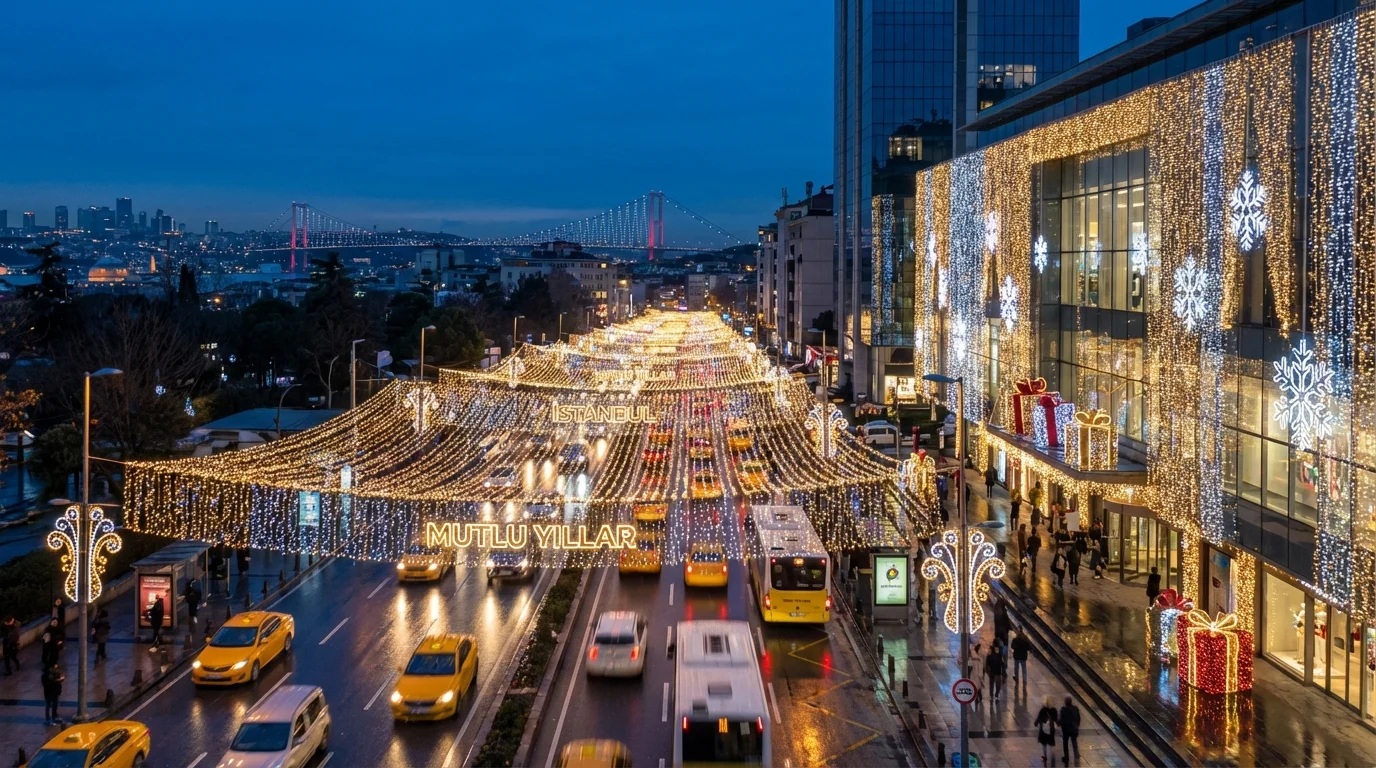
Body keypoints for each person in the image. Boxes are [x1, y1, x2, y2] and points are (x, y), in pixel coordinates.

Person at [1035, 695, 1059, 764]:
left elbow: (1039, 718)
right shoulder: (1054, 710)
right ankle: (1052, 755)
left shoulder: (1043, 710)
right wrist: (1058, 723)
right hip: (1051, 729)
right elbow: (1056, 718)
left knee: (1044, 744)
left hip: (1043, 730)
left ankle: (1045, 756)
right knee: (1051, 743)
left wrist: (1036, 723)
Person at [1060, 695, 1081, 765]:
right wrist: (1077, 725)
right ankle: (1076, 755)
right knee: (1074, 742)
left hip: (1066, 729)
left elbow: (1062, 720)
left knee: (1065, 744)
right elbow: (1078, 718)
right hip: (1074, 729)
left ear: (1065, 702)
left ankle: (1066, 757)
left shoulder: (1063, 709)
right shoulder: (1075, 708)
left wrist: (1058, 723)